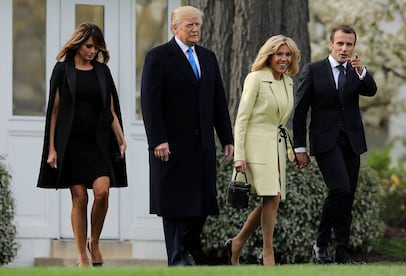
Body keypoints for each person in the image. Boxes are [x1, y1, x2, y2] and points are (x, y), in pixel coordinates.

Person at [140, 6, 234, 266]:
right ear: (175, 28)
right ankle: (176, 258)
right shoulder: (158, 57)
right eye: (189, 25)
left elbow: (218, 101)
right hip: (170, 146)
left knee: (202, 205)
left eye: (197, 25)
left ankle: (183, 251)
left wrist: (227, 137)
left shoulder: (208, 57)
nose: (195, 30)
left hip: (202, 145)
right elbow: (150, 103)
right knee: (173, 205)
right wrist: (158, 139)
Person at [37, 22, 128, 267]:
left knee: (102, 192)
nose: (92, 52)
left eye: (96, 48)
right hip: (71, 144)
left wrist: (121, 138)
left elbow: (111, 109)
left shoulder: (102, 71)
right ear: (78, 43)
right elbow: (54, 112)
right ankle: (81, 255)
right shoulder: (62, 70)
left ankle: (94, 242)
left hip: (98, 143)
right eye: (89, 46)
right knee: (79, 198)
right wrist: (52, 149)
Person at [292, 25, 377, 264]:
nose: (344, 48)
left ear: (354, 47)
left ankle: (341, 252)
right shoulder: (313, 70)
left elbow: (371, 90)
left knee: (347, 197)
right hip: (325, 141)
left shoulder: (355, 70)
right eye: (340, 43)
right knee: (339, 188)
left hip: (352, 141)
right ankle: (320, 243)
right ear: (331, 44)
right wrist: (299, 147)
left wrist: (362, 72)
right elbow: (300, 111)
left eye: (349, 44)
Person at [225, 35, 301, 266]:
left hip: (276, 149)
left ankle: (237, 242)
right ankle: (268, 252)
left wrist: (290, 151)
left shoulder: (288, 81)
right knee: (273, 197)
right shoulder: (256, 78)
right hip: (255, 147)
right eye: (280, 54)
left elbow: (281, 123)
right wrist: (239, 155)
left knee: (272, 199)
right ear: (270, 55)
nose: (284, 59)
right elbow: (241, 119)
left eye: (288, 55)